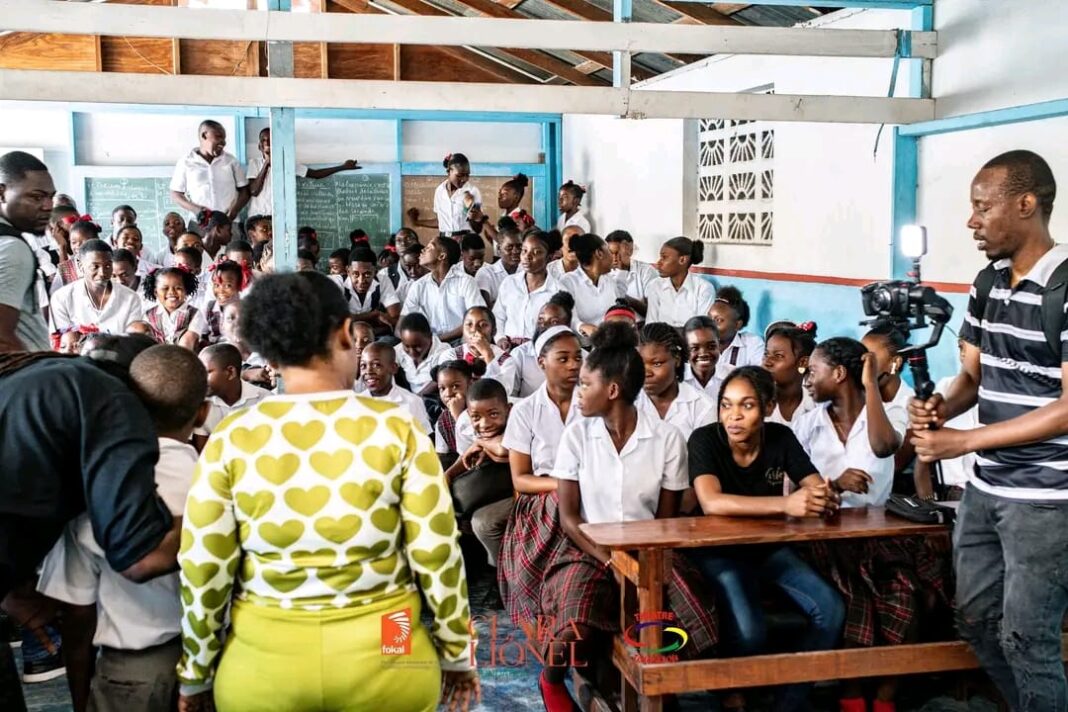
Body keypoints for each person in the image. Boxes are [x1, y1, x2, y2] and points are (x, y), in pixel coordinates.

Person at [175, 271, 478, 712]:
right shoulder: (396, 428)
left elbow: (205, 568)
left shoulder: (234, 436)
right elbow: (437, 554)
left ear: (270, 350)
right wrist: (456, 654)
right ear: (345, 333)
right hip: (389, 652)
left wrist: (196, 675)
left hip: (264, 665)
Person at [908, 150, 1068, 712]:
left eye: (982, 207)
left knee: (1029, 639)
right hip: (986, 490)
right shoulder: (987, 283)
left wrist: (963, 441)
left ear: (1026, 204)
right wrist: (940, 410)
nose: (971, 221)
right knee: (975, 620)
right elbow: (972, 379)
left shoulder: (1065, 288)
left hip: (1046, 499)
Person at [0, 336, 184, 710]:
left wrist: (10, 588)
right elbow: (139, 558)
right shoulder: (112, 400)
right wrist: (220, 511)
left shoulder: (39, 377)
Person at [543, 322, 717, 711]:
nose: (579, 391)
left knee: (687, 613)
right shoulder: (577, 436)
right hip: (588, 548)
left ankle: (659, 686)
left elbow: (664, 522)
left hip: (648, 550)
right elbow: (569, 518)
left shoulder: (667, 439)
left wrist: (640, 566)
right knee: (575, 624)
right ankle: (551, 680)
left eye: (585, 384)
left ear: (612, 390)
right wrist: (610, 561)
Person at [36, 345, 208, 712]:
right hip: (217, 662)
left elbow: (77, 614)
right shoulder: (221, 482)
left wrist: (80, 698)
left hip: (131, 675)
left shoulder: (99, 489)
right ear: (203, 412)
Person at [687, 365, 844, 712]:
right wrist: (787, 504)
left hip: (768, 549)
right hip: (719, 552)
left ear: (768, 407)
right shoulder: (704, 440)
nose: (733, 416)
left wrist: (825, 496)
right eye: (726, 405)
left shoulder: (780, 438)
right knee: (750, 632)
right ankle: (729, 689)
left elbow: (814, 485)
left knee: (831, 609)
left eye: (746, 405)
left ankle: (789, 701)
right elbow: (711, 502)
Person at [793, 338, 919, 712]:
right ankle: (850, 694)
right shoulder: (807, 424)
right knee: (855, 597)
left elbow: (884, 447)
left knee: (905, 594)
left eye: (813, 371)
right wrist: (833, 485)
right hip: (824, 536)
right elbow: (791, 494)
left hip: (878, 536)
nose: (806, 379)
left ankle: (884, 696)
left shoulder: (888, 415)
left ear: (839, 374)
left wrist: (869, 386)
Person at [498, 326, 584, 630]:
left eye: (578, 358)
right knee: (561, 503)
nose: (573, 365)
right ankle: (550, 606)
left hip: (589, 494)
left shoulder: (592, 405)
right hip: (540, 500)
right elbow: (521, 479)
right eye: (563, 358)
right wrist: (564, 485)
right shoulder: (525, 411)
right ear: (541, 363)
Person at [0, 150, 54, 352]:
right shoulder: (12, 248)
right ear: (2, 194)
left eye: (50, 197)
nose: (48, 206)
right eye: (36, 197)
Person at [913, 338, 977, 502]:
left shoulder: (1009, 396)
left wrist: (963, 441)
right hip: (948, 493)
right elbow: (924, 455)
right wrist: (927, 501)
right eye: (961, 347)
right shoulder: (945, 388)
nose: (964, 354)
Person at [246, 127, 358, 217]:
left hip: (277, 219)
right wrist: (266, 163)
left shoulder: (288, 165)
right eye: (264, 140)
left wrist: (343, 167)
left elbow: (316, 174)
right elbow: (254, 191)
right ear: (259, 146)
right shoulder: (254, 163)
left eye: (271, 140)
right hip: (256, 217)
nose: (267, 143)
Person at [862, 321, 917, 491]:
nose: (863, 364)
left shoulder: (912, 404)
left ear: (895, 363)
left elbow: (895, 464)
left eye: (870, 358)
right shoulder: (857, 397)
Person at [637, 322, 717, 435]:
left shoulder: (703, 408)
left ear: (677, 359)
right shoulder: (629, 403)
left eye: (656, 364)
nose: (646, 373)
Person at [401, 235, 486, 342]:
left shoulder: (466, 282)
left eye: (429, 248)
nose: (423, 250)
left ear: (442, 256)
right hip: (430, 344)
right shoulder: (418, 286)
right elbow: (403, 323)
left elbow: (477, 319)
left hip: (461, 340)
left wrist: (437, 340)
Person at [50, 240, 144, 336]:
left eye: (108, 266)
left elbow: (134, 338)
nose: (102, 273)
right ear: (80, 266)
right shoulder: (62, 298)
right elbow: (62, 339)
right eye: (95, 266)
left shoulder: (131, 298)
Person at [490, 292, 573, 399]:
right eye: (541, 319)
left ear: (567, 326)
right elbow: (510, 396)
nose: (544, 325)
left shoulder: (581, 357)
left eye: (554, 322)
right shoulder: (520, 355)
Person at [191, 343, 272, 447]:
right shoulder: (201, 404)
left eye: (207, 373)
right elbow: (202, 452)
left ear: (230, 372)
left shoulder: (266, 400)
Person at [493, 230, 563, 347]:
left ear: (549, 257)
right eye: (524, 251)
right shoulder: (509, 283)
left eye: (536, 252)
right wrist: (500, 339)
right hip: (507, 348)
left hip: (539, 350)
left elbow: (560, 329)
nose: (527, 256)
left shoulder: (557, 291)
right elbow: (498, 316)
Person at [169, 120, 249, 221]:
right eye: (218, 137)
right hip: (199, 223)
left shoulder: (231, 161)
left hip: (228, 222)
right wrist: (196, 210)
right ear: (204, 135)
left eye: (224, 139)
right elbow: (176, 193)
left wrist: (233, 211)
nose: (223, 142)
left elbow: (245, 191)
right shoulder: (186, 162)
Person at [560, 233, 626, 337]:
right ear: (599, 253)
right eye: (609, 251)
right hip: (584, 343)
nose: (613, 257)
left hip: (610, 339)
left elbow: (620, 303)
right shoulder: (568, 282)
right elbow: (566, 316)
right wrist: (581, 326)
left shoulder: (609, 279)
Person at [360, 341, 433, 433]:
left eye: (376, 365)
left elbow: (424, 437)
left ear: (394, 368)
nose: (368, 371)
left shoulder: (411, 402)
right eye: (363, 366)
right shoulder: (355, 404)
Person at [407, 152, 483, 236]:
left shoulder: (472, 191)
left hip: (465, 239)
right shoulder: (440, 191)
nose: (464, 179)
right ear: (449, 172)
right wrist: (417, 222)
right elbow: (441, 221)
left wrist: (470, 212)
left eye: (467, 175)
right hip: (444, 239)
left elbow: (478, 228)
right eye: (459, 175)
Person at [646, 237, 715, 327]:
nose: (659, 262)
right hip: (660, 336)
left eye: (664, 257)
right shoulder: (655, 285)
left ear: (682, 260)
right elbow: (651, 325)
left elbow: (701, 329)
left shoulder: (703, 289)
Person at [763, 321, 819, 427]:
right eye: (766, 354)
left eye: (778, 356)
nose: (767, 362)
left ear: (803, 362)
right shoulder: (756, 402)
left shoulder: (818, 406)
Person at [141, 267, 206, 350]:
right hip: (157, 354)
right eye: (165, 288)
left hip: (185, 354)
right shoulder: (148, 315)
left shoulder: (194, 314)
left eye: (178, 288)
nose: (171, 292)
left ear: (186, 290)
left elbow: (189, 341)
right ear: (156, 292)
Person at [711, 286, 764, 380]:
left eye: (718, 320)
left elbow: (761, 379)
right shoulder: (699, 344)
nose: (710, 325)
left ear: (737, 324)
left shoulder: (752, 344)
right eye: (709, 318)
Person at [346, 246, 400, 338]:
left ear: (375, 272)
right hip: (344, 337)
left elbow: (394, 318)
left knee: (389, 341)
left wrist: (366, 334)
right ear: (348, 271)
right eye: (355, 274)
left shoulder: (383, 281)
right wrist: (373, 315)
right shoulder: (337, 283)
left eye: (367, 274)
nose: (361, 280)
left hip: (373, 335)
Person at [394, 313, 453, 396]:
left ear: (430, 337)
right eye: (407, 346)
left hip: (434, 397)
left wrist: (416, 398)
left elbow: (439, 380)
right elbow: (385, 362)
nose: (412, 352)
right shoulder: (400, 349)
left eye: (417, 346)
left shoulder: (443, 351)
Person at [469, 173, 534, 243]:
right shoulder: (504, 216)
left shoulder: (518, 219)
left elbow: (505, 241)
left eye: (504, 194)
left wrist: (484, 221)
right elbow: (503, 245)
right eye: (499, 193)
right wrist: (491, 240)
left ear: (516, 197)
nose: (499, 197)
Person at [606, 229, 658, 315]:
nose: (615, 257)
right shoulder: (605, 274)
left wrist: (625, 298)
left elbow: (653, 311)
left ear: (630, 250)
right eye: (610, 253)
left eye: (618, 252)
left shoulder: (646, 271)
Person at [434, 360, 478, 460]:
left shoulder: (483, 409)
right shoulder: (442, 421)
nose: (448, 394)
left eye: (455, 386)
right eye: (442, 388)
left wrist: (458, 416)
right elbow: (442, 456)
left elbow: (481, 444)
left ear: (470, 384)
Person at [51, 220, 104, 294]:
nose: (78, 246)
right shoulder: (68, 266)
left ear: (96, 240)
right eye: (74, 242)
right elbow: (55, 292)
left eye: (83, 242)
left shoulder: (106, 262)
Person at [475, 224, 522, 306]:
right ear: (499, 249)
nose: (516, 251)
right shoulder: (486, 273)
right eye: (509, 247)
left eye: (519, 246)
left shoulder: (528, 271)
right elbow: (484, 307)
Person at [683, 315, 722, 398]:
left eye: (711, 346)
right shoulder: (675, 381)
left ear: (719, 345)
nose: (703, 353)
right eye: (694, 348)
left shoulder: (733, 377)